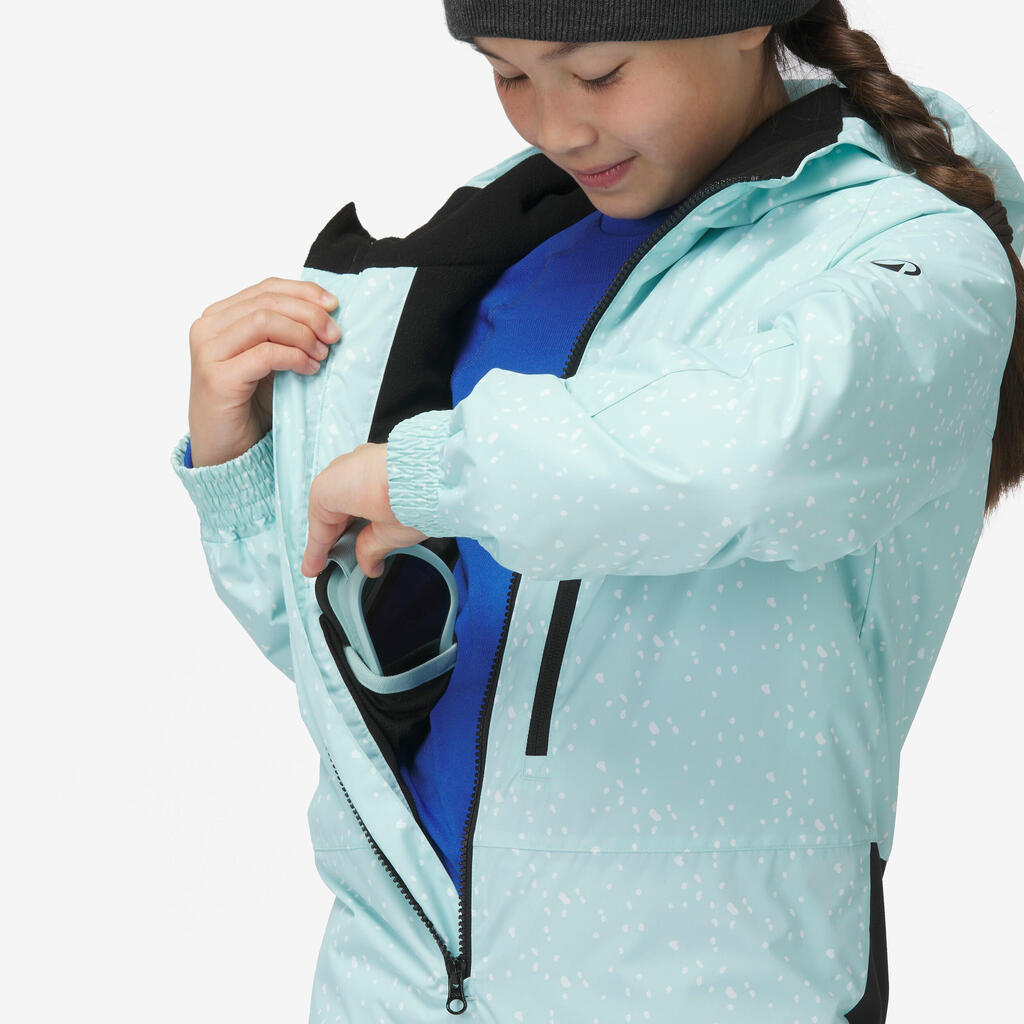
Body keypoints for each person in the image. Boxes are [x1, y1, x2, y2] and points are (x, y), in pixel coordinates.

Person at [171, 1, 1023, 1020]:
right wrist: (240, 465)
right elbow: (361, 668)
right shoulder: (490, 258)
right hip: (387, 984)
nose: (557, 127)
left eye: (598, 73)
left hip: (701, 991)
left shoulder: (907, 256)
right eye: (509, 74)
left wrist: (438, 471)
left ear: (748, 18)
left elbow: (750, 452)